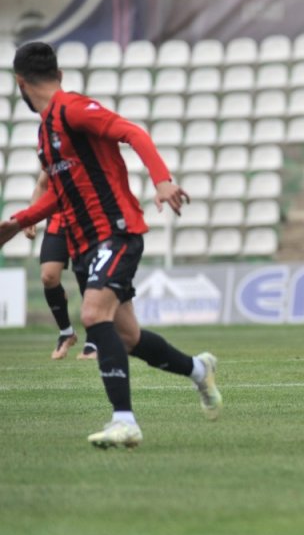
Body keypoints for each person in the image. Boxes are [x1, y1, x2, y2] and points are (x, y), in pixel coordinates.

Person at [0, 42, 222, 449]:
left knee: (92, 312)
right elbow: (61, 196)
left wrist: (162, 180)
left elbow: (132, 132)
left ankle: (125, 421)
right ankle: (197, 369)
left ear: (19, 83)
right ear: (58, 73)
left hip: (115, 231)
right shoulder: (45, 134)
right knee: (127, 337)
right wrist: (19, 222)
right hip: (85, 243)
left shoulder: (74, 109)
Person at [26, 171, 97, 360]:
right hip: (57, 222)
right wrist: (30, 216)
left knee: (86, 278)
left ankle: (94, 336)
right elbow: (42, 184)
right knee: (48, 276)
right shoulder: (52, 149)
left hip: (87, 221)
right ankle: (66, 332)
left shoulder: (87, 148)